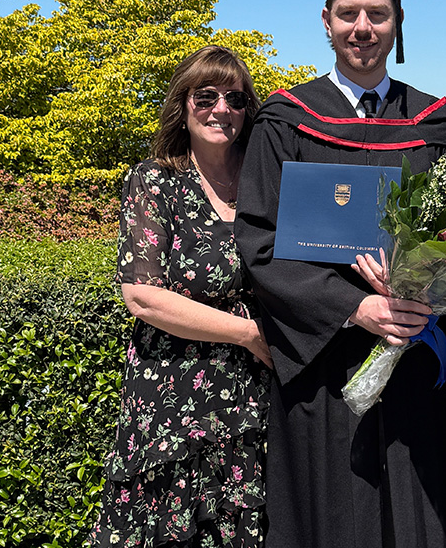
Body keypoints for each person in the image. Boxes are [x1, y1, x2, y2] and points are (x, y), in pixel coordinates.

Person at [234, 0, 446, 548]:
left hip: (409, 352)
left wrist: (424, 296)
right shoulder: (286, 119)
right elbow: (258, 241)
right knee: (328, 513)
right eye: (348, 14)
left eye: (377, 14)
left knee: (414, 510)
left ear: (398, 21)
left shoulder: (434, 122)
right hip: (323, 364)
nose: (363, 28)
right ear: (327, 21)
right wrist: (355, 307)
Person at [90, 46, 272, 548]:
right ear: (182, 105)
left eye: (235, 99)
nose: (221, 109)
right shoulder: (154, 181)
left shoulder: (265, 181)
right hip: (174, 394)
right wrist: (248, 333)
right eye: (206, 96)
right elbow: (144, 297)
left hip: (250, 394)